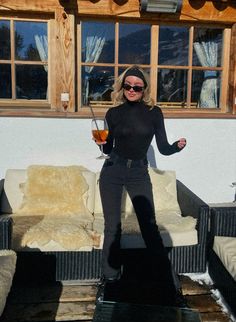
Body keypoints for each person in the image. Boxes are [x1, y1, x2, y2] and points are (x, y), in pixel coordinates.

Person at [93, 65, 187, 304]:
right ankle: (111, 279)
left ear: (144, 89)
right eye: (128, 86)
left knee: (149, 226)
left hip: (138, 172)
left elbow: (163, 148)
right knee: (112, 227)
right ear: (122, 87)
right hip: (113, 171)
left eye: (137, 86)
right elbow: (107, 148)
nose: (132, 90)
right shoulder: (112, 114)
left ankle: (165, 278)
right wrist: (100, 141)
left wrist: (176, 146)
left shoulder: (154, 112)